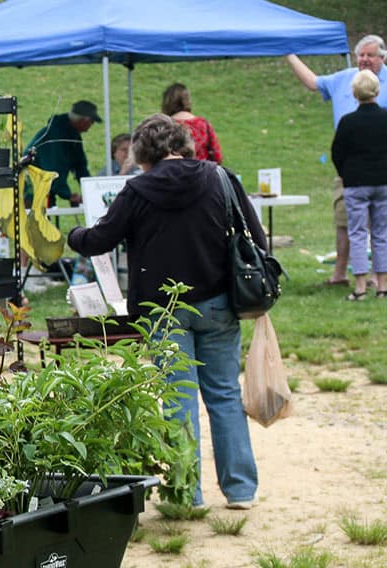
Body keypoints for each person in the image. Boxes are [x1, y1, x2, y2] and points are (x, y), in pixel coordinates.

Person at [67, 114, 265, 510]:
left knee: (177, 400)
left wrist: (74, 235)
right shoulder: (219, 177)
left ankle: (185, 492)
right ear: (185, 144)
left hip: (163, 309)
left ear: (142, 153)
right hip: (219, 301)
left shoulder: (136, 189)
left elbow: (99, 239)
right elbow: (256, 237)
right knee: (225, 394)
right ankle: (240, 490)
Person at [286, 35, 387, 286]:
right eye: (361, 55)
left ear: (382, 57)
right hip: (349, 171)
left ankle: (377, 277)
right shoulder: (345, 77)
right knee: (345, 224)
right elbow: (313, 82)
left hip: (382, 170)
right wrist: (288, 53)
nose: (364, 59)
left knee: (380, 228)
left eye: (370, 55)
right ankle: (340, 274)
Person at [331, 70, 387, 301]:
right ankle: (383, 284)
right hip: (384, 182)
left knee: (357, 233)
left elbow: (337, 153)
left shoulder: (348, 122)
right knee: (382, 233)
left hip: (355, 183)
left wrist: (346, 174)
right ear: (378, 90)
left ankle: (361, 286)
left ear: (354, 94)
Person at [23, 100, 101, 205]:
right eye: (92, 122)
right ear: (84, 121)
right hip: (31, 189)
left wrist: (91, 192)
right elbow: (53, 169)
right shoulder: (55, 135)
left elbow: (80, 166)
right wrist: (68, 195)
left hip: (43, 188)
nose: (91, 125)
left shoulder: (71, 135)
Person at [161, 83, 222, 164]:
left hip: (172, 172)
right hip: (200, 172)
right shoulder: (204, 124)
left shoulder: (164, 125)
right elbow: (217, 156)